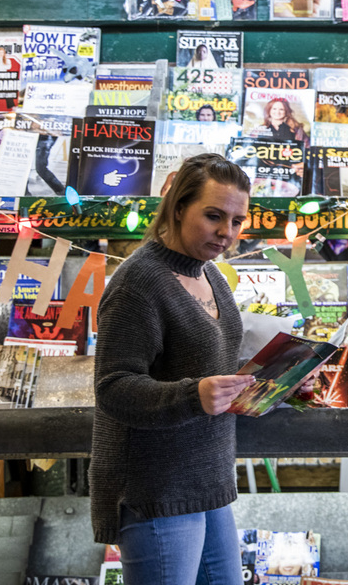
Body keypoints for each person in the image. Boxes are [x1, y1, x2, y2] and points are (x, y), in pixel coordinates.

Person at [91, 154, 268, 582]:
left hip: (208, 480)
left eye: (238, 221)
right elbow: (113, 388)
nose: (227, 232)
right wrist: (193, 395)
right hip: (156, 488)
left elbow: (210, 364)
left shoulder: (212, 277)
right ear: (177, 207)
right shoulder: (139, 283)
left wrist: (272, 380)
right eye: (213, 216)